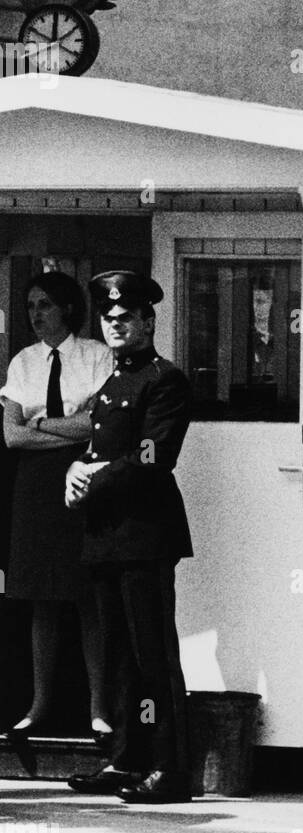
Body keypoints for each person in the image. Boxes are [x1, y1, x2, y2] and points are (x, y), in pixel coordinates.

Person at [65, 271, 194, 805]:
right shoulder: (115, 379)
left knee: (152, 655)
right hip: (106, 536)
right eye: (108, 319)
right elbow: (97, 446)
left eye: (126, 318)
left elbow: (151, 456)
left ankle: (169, 767)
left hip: (144, 535)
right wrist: (74, 466)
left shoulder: (164, 380)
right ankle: (126, 759)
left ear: (147, 322)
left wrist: (92, 477)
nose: (116, 326)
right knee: (117, 653)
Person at [0, 272, 115, 741]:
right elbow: (11, 435)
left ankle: (99, 709)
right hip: (34, 489)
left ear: (68, 308)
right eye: (30, 305)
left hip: (83, 479)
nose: (35, 313)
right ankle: (39, 706)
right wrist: (64, 427)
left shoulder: (96, 356)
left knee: (89, 597)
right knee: (41, 600)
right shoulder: (24, 362)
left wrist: (42, 424)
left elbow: (100, 427)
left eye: (45, 304)